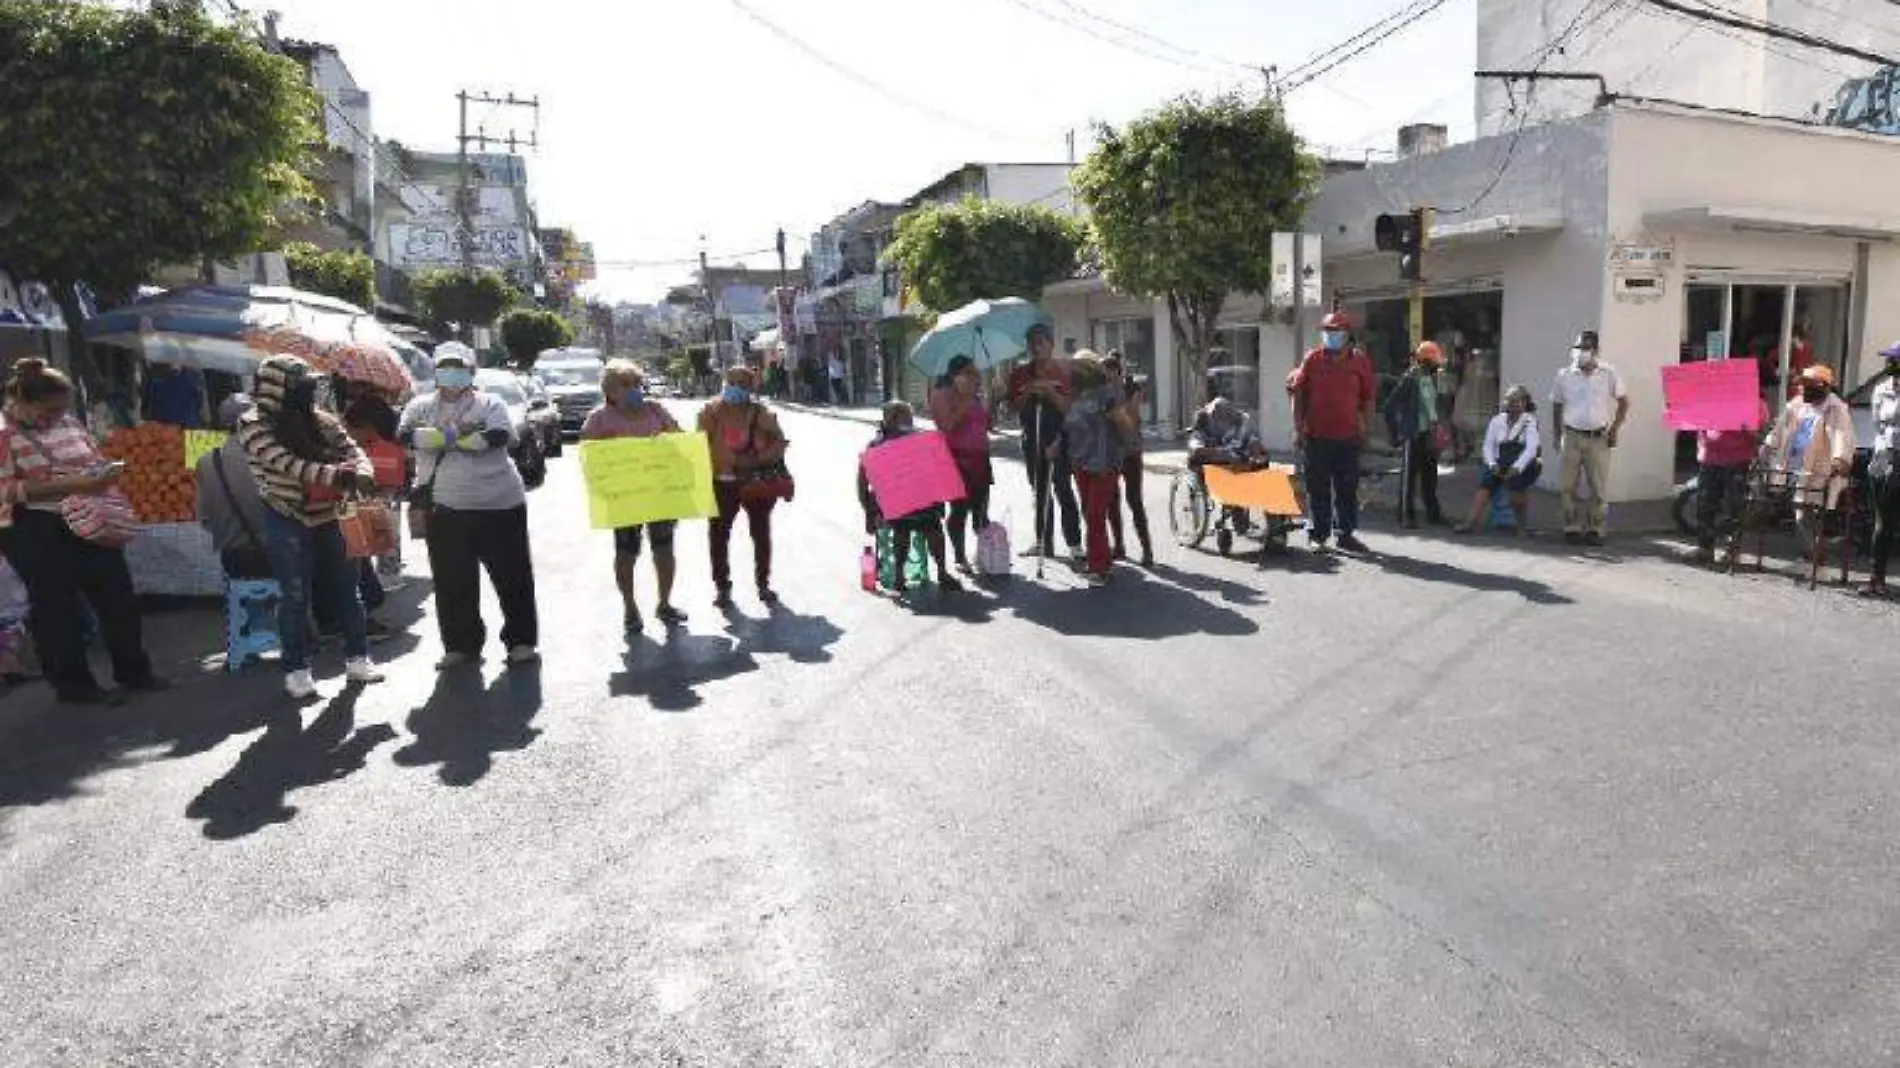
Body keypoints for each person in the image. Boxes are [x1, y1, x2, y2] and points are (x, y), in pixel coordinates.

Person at [0, 359, 167, 705]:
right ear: (25, 403)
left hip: (91, 517)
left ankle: (134, 670)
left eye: (62, 408)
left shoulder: (71, 423)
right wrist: (69, 483)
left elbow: (92, 457)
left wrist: (102, 473)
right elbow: (5, 489)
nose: (57, 416)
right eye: (49, 409)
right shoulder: (4, 434)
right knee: (57, 610)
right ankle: (75, 686)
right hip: (38, 527)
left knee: (117, 596)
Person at [236, 355, 384, 699]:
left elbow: (353, 449)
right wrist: (338, 475)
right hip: (287, 516)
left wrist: (363, 472)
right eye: (300, 385)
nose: (308, 391)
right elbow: (285, 464)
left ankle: (358, 658)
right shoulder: (252, 423)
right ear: (278, 389)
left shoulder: (322, 419)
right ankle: (296, 669)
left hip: (332, 514)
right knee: (295, 596)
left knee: (349, 588)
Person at [398, 345, 539, 669]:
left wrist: (438, 437)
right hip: (445, 507)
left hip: (501, 504)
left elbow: (496, 438)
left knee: (512, 576)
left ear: (471, 372)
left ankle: (520, 642)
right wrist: (460, 434)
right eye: (444, 367)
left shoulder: (492, 403)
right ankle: (461, 646)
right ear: (435, 372)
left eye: (458, 367)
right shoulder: (419, 406)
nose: (451, 373)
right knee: (452, 581)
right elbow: (405, 436)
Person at [583, 360, 689, 634]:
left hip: (659, 494)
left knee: (664, 549)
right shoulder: (599, 418)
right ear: (610, 390)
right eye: (625, 385)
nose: (632, 390)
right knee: (626, 553)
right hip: (625, 497)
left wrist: (670, 440)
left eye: (636, 384)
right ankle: (630, 607)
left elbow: (681, 440)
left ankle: (664, 603)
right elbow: (589, 456)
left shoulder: (656, 410)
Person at [699, 366, 788, 607]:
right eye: (732, 382)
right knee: (718, 536)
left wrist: (757, 460)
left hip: (755, 482)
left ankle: (763, 583)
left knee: (760, 534)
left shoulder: (761, 413)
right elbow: (698, 444)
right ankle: (722, 587)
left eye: (742, 383)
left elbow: (780, 442)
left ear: (750, 388)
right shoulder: (711, 411)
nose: (736, 387)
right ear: (725, 383)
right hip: (721, 483)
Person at [1289, 310, 1376, 553]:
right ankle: (1318, 535)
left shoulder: (1360, 361)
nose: (1331, 335)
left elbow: (1368, 399)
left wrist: (1366, 431)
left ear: (1347, 334)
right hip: (1316, 436)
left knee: (1347, 489)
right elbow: (1297, 393)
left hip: (1348, 437)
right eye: (1327, 331)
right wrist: (1298, 428)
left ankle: (1345, 534)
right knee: (1318, 488)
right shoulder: (1313, 359)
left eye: (1335, 331)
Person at [858, 401, 962, 595]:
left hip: (923, 500)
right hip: (898, 503)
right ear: (891, 420)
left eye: (909, 416)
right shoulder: (876, 445)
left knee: (934, 528)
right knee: (902, 529)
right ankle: (899, 575)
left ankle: (941, 571)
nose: (909, 420)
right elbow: (863, 481)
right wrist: (870, 511)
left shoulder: (919, 439)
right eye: (904, 416)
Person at [1548, 330, 1630, 546]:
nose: (1580, 352)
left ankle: (1595, 528)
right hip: (1572, 435)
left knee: (1598, 487)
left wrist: (1614, 430)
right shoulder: (1564, 374)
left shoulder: (1608, 372)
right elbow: (1556, 405)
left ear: (1595, 350)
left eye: (1585, 347)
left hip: (1598, 438)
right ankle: (1571, 526)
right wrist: (1557, 435)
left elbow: (1623, 401)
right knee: (1567, 486)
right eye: (1577, 347)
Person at [1007, 323, 1082, 560]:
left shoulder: (1064, 371)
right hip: (1032, 439)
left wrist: (1049, 392)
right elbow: (1013, 408)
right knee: (1039, 493)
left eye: (1041, 342)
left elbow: (1069, 409)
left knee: (1063, 489)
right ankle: (1042, 542)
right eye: (1031, 344)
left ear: (1051, 344)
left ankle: (1074, 544)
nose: (1036, 348)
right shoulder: (1019, 373)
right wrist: (1029, 391)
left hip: (1059, 439)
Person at [1763, 363, 1856, 542]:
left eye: (1807, 386)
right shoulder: (1797, 405)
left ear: (1822, 388)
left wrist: (1840, 460)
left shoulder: (1835, 408)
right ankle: (1813, 550)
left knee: (1806, 512)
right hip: (1792, 465)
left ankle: (1814, 554)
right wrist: (1767, 447)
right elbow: (1779, 430)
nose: (1802, 389)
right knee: (1779, 505)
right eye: (1802, 385)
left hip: (1817, 469)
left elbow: (1841, 435)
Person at [1064, 351, 1132, 586]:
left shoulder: (1107, 395)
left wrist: (1116, 456)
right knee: (1091, 515)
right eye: (1075, 367)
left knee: (1094, 515)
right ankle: (1100, 561)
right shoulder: (1075, 395)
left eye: (1082, 366)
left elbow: (1125, 425)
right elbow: (1071, 427)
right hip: (1081, 463)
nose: (1076, 371)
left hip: (1104, 465)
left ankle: (1099, 568)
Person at [1688, 391, 1772, 567]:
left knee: (1734, 506)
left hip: (1737, 460)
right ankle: (1705, 549)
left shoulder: (1756, 404)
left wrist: (1747, 429)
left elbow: (1763, 437)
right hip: (1710, 458)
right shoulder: (1709, 400)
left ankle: (1732, 550)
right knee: (1705, 504)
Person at [196, 394, 273, 579]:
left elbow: (204, 517)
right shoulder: (274, 458)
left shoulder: (206, 461)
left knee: (241, 602)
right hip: (276, 551)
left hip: (233, 555)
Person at [927, 354, 992, 574]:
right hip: (956, 458)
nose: (976, 377)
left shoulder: (974, 394)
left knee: (981, 508)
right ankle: (959, 556)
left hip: (980, 458)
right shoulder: (942, 394)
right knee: (959, 510)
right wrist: (965, 401)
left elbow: (986, 423)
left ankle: (984, 553)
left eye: (976, 373)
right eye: (970, 373)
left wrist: (995, 400)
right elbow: (947, 426)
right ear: (956, 375)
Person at [1455, 385, 1543, 535]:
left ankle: (1521, 526)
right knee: (1484, 487)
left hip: (1522, 460)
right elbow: (1488, 445)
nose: (1513, 404)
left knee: (1517, 491)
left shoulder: (1529, 421)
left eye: (1517, 401)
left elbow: (1531, 449)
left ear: (1524, 403)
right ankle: (1469, 523)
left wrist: (1517, 467)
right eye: (1510, 400)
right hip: (1501, 459)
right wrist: (1491, 463)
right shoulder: (1497, 420)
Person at [1384, 340, 1449, 528]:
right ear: (1426, 361)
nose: (1437, 364)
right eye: (1434, 361)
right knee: (1409, 478)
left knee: (1430, 477)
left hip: (1429, 434)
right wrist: (1395, 433)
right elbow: (1390, 406)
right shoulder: (1410, 379)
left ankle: (1433, 514)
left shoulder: (1433, 379)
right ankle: (1406, 515)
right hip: (1412, 434)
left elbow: (1435, 406)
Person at [1104, 352, 1153, 566]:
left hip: (1131, 452)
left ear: (1117, 371)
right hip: (1111, 454)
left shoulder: (1131, 389)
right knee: (1112, 502)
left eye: (1108, 372)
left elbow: (1131, 420)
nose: (1106, 377)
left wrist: (1113, 411)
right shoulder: (1103, 392)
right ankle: (1119, 546)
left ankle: (1147, 549)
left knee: (1134, 501)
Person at [1863, 342, 1900, 596]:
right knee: (1882, 523)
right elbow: (1878, 425)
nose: (1890, 366)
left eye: (1894, 361)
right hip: (1885, 460)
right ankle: (1876, 578)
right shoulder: (1881, 390)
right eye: (1889, 361)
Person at [141, 363, 206, 427]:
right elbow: (199, 403)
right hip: (187, 423)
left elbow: (147, 403)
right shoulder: (193, 380)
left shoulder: (155, 382)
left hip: (163, 424)